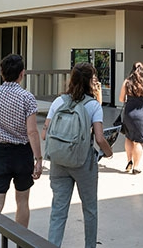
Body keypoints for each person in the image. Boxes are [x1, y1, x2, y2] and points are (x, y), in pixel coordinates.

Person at [43, 62, 114, 248]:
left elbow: (45, 133)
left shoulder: (59, 101)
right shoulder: (93, 106)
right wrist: (109, 152)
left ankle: (53, 244)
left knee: (58, 209)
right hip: (83, 162)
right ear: (92, 81)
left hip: (59, 160)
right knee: (90, 209)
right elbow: (99, 138)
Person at [0, 54, 42, 242]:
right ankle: (20, 243)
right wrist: (39, 159)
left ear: (1, 73)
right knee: (22, 201)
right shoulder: (27, 97)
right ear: (22, 74)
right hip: (23, 153)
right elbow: (32, 132)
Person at [118, 62, 143, 174]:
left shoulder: (127, 82)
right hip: (142, 115)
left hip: (129, 113)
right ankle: (136, 166)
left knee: (129, 137)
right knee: (138, 141)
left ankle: (129, 161)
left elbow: (121, 99)